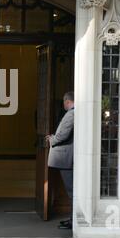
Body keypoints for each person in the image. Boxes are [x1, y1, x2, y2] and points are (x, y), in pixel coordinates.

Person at [45, 91, 74, 230]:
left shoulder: (71, 113)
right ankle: (72, 219)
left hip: (66, 157)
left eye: (64, 102)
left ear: (67, 101)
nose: (63, 104)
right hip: (68, 156)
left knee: (71, 190)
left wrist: (52, 139)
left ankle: (74, 221)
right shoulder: (73, 113)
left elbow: (63, 135)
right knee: (71, 189)